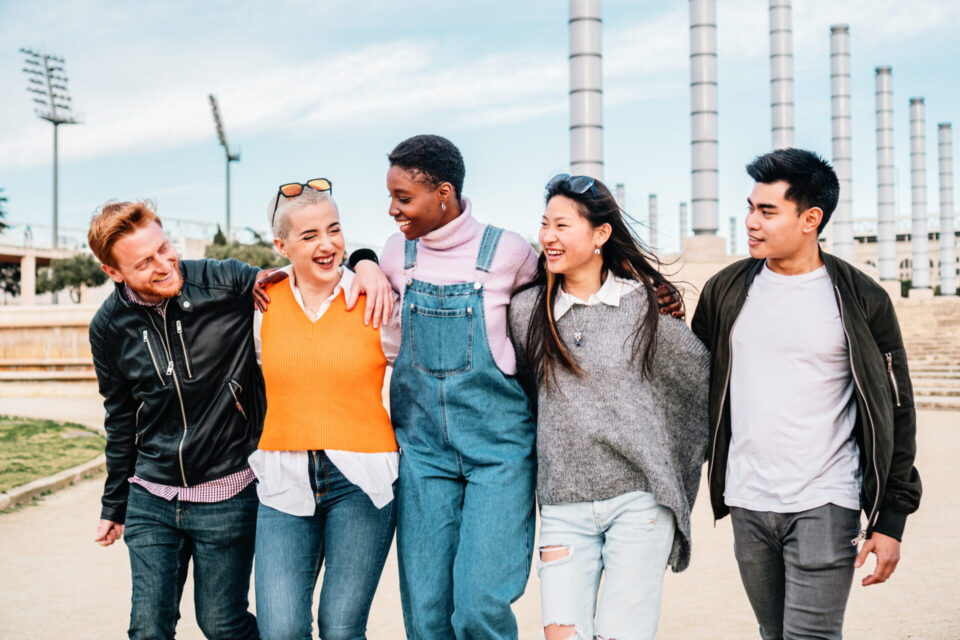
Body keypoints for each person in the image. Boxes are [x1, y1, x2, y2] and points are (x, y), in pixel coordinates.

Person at [87, 199, 390, 640]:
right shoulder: (107, 327)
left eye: (164, 248)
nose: (164, 265)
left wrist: (365, 261)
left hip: (226, 489)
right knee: (148, 628)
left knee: (222, 623)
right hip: (152, 493)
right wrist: (114, 504)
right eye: (144, 262)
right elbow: (119, 417)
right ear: (113, 272)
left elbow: (303, 270)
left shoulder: (222, 281)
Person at [691, 148, 922, 639]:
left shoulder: (864, 300)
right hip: (748, 499)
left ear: (810, 219)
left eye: (767, 211)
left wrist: (891, 520)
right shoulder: (724, 291)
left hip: (827, 498)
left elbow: (897, 412)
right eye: (750, 208)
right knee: (772, 633)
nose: (751, 222)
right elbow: (692, 380)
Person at [508, 174, 709, 640]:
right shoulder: (525, 312)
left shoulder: (646, 308)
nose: (548, 236)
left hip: (639, 503)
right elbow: (525, 394)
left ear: (600, 233)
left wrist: (670, 473)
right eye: (545, 224)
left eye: (562, 225)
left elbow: (698, 387)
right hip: (562, 503)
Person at [249, 180, 401, 640]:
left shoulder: (375, 297)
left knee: (340, 628)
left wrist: (367, 262)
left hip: (363, 480)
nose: (327, 244)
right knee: (281, 629)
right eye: (309, 235)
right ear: (281, 246)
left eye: (334, 230)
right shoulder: (262, 303)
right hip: (283, 475)